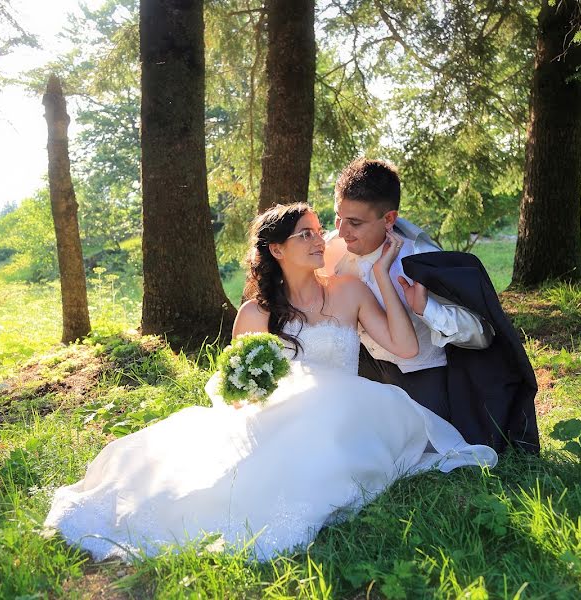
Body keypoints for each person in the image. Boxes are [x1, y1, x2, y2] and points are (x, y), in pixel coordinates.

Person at [44, 203, 497, 562]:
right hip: (279, 416)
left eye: (320, 230)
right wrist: (248, 391)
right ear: (277, 250)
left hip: (343, 408)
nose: (321, 239)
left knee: (337, 433)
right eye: (307, 233)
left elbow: (405, 347)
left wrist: (381, 274)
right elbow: (232, 389)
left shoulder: (348, 291)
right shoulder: (254, 314)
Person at [325, 158, 539, 452]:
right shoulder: (333, 249)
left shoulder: (421, 258)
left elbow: (482, 334)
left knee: (421, 450)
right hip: (365, 371)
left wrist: (427, 309)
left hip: (419, 376)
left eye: (355, 223)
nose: (342, 231)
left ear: (389, 219)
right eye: (339, 217)